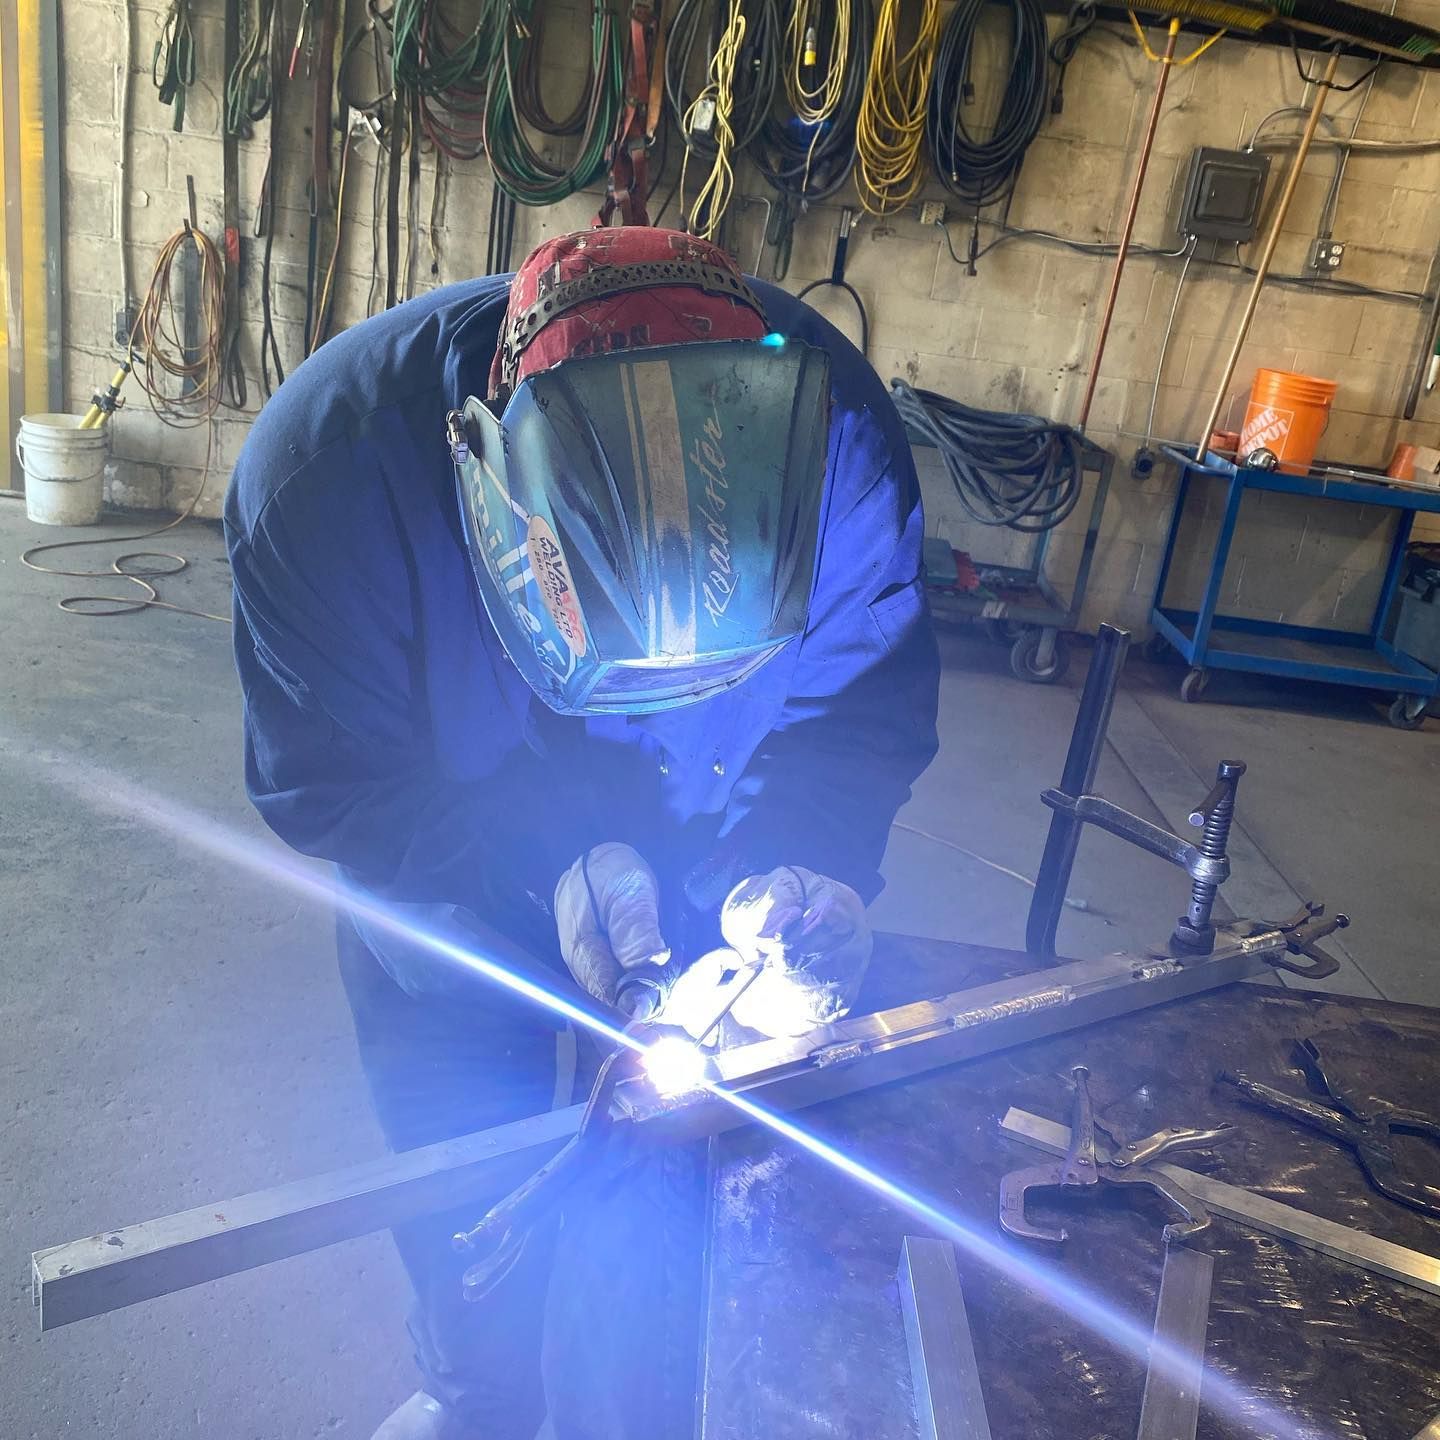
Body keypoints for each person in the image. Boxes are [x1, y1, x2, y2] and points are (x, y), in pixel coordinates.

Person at [224, 226, 940, 1440]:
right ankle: (477, 1394)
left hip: (717, 843)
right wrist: (524, 874)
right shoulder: (324, 481)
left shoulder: (843, 454)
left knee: (690, 1193)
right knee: (465, 1175)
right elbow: (334, 785)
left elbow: (854, 710)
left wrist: (800, 863)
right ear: (489, 498)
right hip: (450, 870)